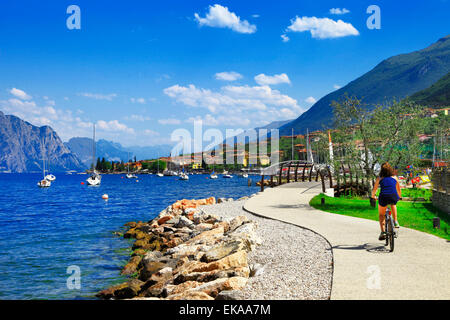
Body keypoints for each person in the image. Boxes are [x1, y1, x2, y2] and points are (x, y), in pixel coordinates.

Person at [371, 162, 402, 240]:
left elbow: (374, 189)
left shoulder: (379, 178)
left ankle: (383, 232)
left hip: (383, 197)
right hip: (393, 196)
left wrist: (373, 196)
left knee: (381, 215)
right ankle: (395, 221)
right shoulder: (395, 177)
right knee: (393, 204)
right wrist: (400, 197)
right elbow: (398, 189)